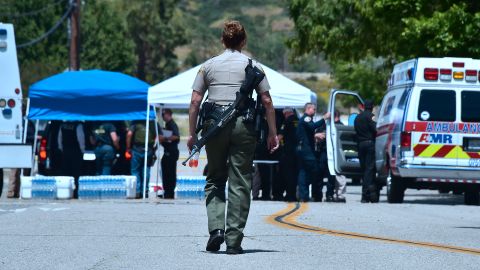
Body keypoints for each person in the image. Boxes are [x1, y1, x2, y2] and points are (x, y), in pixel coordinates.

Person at [188, 20, 279, 255]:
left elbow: (196, 101)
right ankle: (233, 241)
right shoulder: (253, 66)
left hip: (214, 127)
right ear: (243, 41)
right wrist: (272, 132)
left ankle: (216, 229)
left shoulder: (208, 66)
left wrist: (191, 134)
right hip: (243, 126)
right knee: (240, 182)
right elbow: (267, 101)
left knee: (215, 178)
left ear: (222, 40)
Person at [296, 103, 330, 202]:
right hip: (306, 151)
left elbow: (306, 132)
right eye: (314, 109)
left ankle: (304, 195)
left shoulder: (304, 119)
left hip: (303, 149)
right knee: (312, 170)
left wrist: (315, 136)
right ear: (308, 109)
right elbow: (312, 127)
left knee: (304, 172)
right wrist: (324, 118)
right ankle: (304, 194)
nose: (315, 112)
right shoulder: (306, 118)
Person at [354, 100, 378, 203]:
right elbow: (375, 129)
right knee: (369, 170)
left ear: (363, 106)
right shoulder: (371, 116)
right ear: (372, 107)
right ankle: (365, 195)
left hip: (360, 145)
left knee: (364, 170)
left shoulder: (357, 117)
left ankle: (368, 195)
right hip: (369, 144)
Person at [127, 120, 158, 199]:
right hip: (149, 149)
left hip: (137, 149)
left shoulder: (135, 122)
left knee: (135, 170)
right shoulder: (152, 122)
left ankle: (137, 191)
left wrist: (128, 148)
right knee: (146, 170)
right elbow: (158, 136)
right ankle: (145, 191)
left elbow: (129, 134)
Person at [58, 121, 86, 198]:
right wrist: (82, 151)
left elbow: (59, 139)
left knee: (66, 173)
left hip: (66, 152)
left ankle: (65, 192)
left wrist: (62, 149)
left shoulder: (62, 125)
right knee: (76, 174)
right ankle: (76, 193)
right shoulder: (78, 125)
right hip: (76, 152)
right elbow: (81, 138)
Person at [278, 107, 299, 201]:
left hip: (287, 151)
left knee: (288, 174)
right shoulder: (299, 120)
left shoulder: (286, 121)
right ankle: (294, 195)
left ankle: (289, 195)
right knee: (295, 174)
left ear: (286, 113)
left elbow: (280, 136)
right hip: (298, 151)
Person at [159, 108, 179, 199]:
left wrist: (165, 138)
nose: (163, 117)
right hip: (167, 152)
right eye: (162, 115)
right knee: (165, 172)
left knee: (170, 173)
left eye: (164, 115)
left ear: (169, 114)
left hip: (171, 152)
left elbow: (176, 136)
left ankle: (170, 193)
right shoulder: (167, 124)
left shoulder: (172, 124)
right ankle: (167, 191)